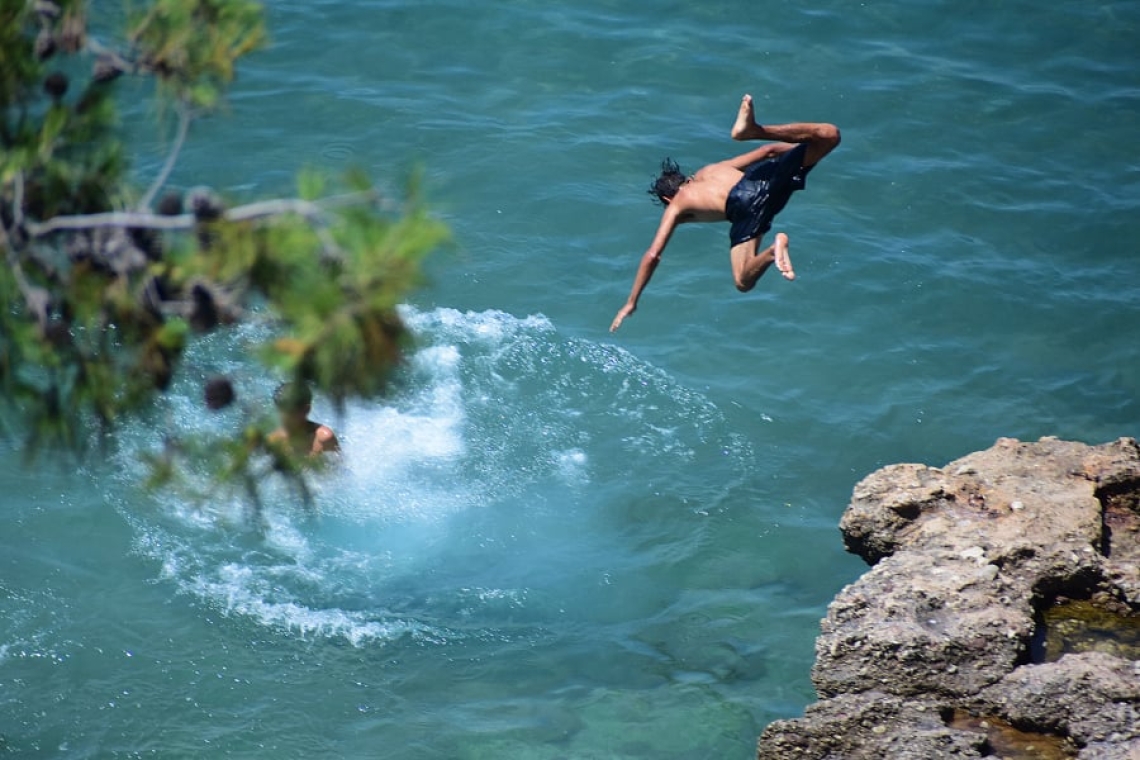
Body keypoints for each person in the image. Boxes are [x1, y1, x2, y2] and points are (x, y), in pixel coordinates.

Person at [610, 94, 840, 332]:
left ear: (667, 199)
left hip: (743, 204)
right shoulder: (711, 169)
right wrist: (805, 150)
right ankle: (753, 130)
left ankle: (774, 250)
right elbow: (769, 150)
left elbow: (652, 256)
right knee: (829, 135)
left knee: (742, 281)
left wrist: (631, 301)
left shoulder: (678, 203)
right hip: (764, 179)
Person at [268, 382, 340, 456]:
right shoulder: (273, 441)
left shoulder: (324, 439)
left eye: (291, 412)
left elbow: (340, 463)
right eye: (282, 411)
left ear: (306, 409)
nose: (286, 417)